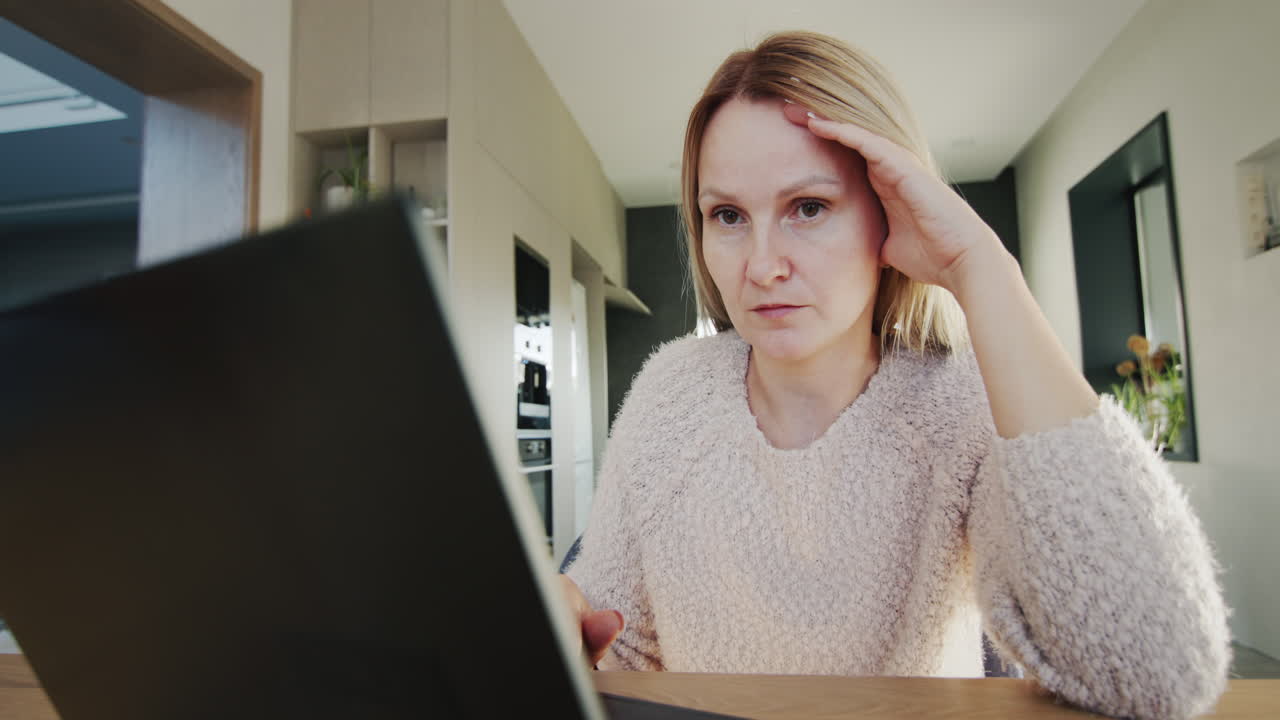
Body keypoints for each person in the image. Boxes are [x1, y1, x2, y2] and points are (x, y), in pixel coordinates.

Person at [557, 30, 1229, 720]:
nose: (761, 266)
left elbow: (1156, 676)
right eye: (727, 215)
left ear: (889, 211)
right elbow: (618, 646)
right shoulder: (670, 394)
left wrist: (980, 266)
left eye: (808, 207)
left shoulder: (957, 403)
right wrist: (571, 629)